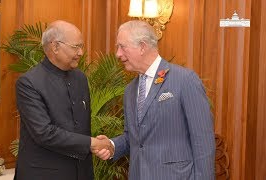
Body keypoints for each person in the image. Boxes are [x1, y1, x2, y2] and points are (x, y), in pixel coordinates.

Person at [95, 20, 215, 180]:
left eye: (122, 46)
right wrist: (112, 145)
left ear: (142, 46)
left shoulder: (184, 80)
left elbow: (203, 142)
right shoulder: (130, 90)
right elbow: (134, 138)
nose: (118, 54)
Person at [14, 20, 111, 180]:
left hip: (82, 173)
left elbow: (80, 126)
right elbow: (44, 133)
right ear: (55, 47)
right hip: (44, 174)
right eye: (76, 47)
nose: (81, 52)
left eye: (82, 47)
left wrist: (95, 143)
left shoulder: (80, 78)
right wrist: (91, 143)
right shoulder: (29, 83)